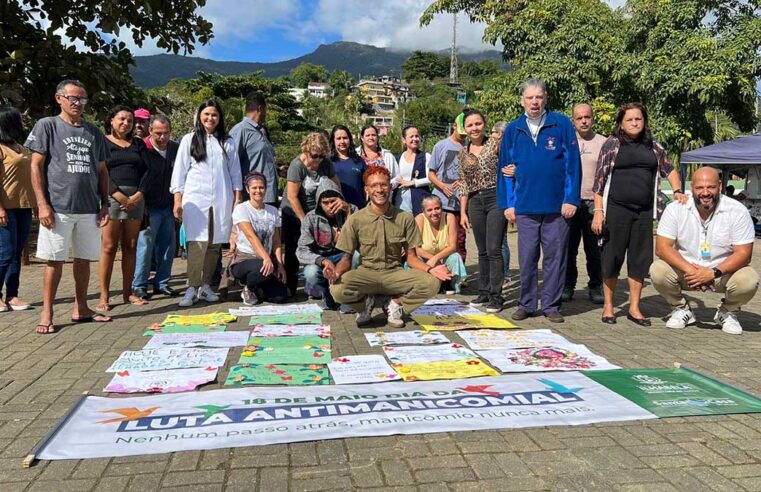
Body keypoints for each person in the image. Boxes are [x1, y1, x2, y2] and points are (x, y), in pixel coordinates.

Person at [25, 79, 112, 333]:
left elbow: (102, 170)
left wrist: (104, 203)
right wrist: (42, 204)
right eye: (73, 98)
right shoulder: (47, 126)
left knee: (84, 260)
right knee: (55, 260)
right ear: (59, 99)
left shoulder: (93, 132)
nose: (78, 103)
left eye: (82, 99)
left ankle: (81, 308)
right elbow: (35, 166)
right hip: (58, 207)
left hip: (89, 208)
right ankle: (47, 312)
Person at [591, 103, 686, 325]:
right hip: (616, 210)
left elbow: (669, 169)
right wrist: (598, 211)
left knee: (640, 261)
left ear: (644, 122)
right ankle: (608, 307)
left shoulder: (654, 147)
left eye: (638, 119)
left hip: (643, 213)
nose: (634, 123)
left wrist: (678, 191)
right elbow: (599, 180)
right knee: (611, 258)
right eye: (629, 120)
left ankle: (634, 308)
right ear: (621, 124)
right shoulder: (612, 145)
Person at [497, 79, 581, 323]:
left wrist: (571, 199)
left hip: (557, 208)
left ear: (546, 99)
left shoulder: (561, 123)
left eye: (539, 97)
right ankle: (527, 303)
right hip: (524, 207)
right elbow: (504, 170)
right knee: (527, 258)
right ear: (522, 100)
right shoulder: (513, 129)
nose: (535, 102)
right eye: (530, 98)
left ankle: (552, 305)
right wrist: (509, 204)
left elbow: (572, 164)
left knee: (555, 258)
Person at [329, 166, 448, 328]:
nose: (379, 190)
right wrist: (336, 272)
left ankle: (394, 304)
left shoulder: (405, 218)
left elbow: (412, 258)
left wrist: (429, 269)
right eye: (374, 186)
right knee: (336, 289)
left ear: (390, 187)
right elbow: (346, 259)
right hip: (366, 274)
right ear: (367, 190)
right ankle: (364, 305)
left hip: (394, 274)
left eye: (384, 185)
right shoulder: (355, 219)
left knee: (432, 283)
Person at [651, 166, 757, 334]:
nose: (705, 192)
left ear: (720, 186)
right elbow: (662, 248)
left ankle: (727, 312)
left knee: (749, 279)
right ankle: (681, 308)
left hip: (721, 274)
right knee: (657, 270)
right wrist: (693, 271)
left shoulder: (737, 211)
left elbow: (744, 254)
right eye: (700, 187)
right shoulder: (676, 208)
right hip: (688, 273)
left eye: (711, 187)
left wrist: (713, 272)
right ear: (692, 187)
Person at [171, 99, 242, 307]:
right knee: (197, 243)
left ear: (219, 118)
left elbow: (235, 172)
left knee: (214, 244)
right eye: (207, 114)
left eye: (214, 115)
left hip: (221, 197)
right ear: (199, 116)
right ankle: (191, 287)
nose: (210, 118)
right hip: (196, 199)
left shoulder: (226, 142)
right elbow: (180, 172)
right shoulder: (189, 139)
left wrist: (237, 199)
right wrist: (178, 198)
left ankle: (205, 285)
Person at [98, 106, 152, 310]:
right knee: (109, 247)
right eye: (121, 119)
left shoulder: (138, 144)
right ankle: (104, 296)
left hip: (136, 200)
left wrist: (138, 196)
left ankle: (127, 293)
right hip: (112, 197)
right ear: (111, 120)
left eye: (129, 120)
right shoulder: (102, 142)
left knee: (130, 246)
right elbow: (100, 171)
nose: (126, 124)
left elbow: (148, 171)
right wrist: (118, 195)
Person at [280, 132, 346, 297]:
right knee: (293, 250)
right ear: (306, 151)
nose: (317, 160)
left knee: (324, 246)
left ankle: (322, 285)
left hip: (318, 212)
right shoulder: (297, 166)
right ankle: (290, 287)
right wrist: (304, 220)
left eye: (321, 156)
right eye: (314, 156)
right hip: (295, 211)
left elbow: (336, 187)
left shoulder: (326, 164)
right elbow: (292, 196)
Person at [458, 109, 506, 313]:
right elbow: (464, 184)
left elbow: (509, 167)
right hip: (475, 201)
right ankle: (484, 292)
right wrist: (462, 212)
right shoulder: (463, 152)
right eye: (470, 125)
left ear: (484, 124)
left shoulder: (495, 144)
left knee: (494, 248)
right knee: (482, 250)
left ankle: (496, 296)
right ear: (465, 129)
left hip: (495, 196)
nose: (474, 128)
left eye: (478, 123)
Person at [561, 104, 607, 304]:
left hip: (593, 203)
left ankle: (596, 285)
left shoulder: (604, 143)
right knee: (568, 249)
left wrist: (602, 207)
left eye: (587, 117)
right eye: (579, 118)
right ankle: (568, 285)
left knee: (594, 250)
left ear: (593, 118)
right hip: (570, 202)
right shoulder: (566, 142)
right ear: (573, 121)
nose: (584, 121)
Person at [221, 172, 287, 304]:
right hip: (245, 259)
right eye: (254, 188)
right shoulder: (241, 209)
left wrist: (280, 264)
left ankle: (258, 287)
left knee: (279, 296)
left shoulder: (273, 211)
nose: (258, 191)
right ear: (247, 189)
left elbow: (276, 241)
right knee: (263, 267)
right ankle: (248, 287)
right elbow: (251, 237)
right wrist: (267, 258)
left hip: (265, 260)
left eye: (261, 187)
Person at [132, 114, 179, 300]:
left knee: (168, 248)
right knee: (145, 248)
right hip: (148, 206)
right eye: (158, 133)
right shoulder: (141, 148)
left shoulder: (176, 149)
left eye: (166, 133)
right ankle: (139, 285)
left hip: (168, 205)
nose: (162, 137)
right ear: (150, 131)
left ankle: (162, 283)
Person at [297, 180, 357, 312]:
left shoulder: (352, 210)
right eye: (325, 202)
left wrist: (348, 212)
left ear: (340, 199)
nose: (330, 206)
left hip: (345, 255)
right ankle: (327, 296)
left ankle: (348, 297)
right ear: (319, 203)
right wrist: (322, 260)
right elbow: (301, 250)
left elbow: (357, 239)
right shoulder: (311, 218)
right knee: (310, 272)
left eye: (333, 201)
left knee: (357, 256)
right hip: (322, 258)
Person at [0, 107, 36, 312]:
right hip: (6, 207)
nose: (23, 123)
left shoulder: (20, 147)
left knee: (16, 253)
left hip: (23, 206)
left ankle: (12, 295)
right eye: (19, 120)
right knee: (5, 253)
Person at [428, 114, 468, 260]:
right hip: (441, 202)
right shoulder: (441, 145)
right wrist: (442, 186)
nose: (463, 137)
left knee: (459, 240)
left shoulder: (468, 147)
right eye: (461, 133)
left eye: (466, 135)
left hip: (460, 203)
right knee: (440, 239)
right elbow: (431, 174)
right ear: (454, 126)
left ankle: (459, 274)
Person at [229, 91, 278, 205]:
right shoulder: (240, 130)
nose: (266, 113)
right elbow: (230, 164)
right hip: (252, 200)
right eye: (266, 109)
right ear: (260, 108)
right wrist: (237, 196)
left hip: (269, 197)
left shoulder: (261, 131)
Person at [412, 195, 467, 294]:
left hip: (443, 258)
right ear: (424, 211)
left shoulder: (449, 217)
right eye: (429, 210)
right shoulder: (419, 219)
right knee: (415, 260)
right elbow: (416, 249)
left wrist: (436, 258)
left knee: (456, 257)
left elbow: (453, 247)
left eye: (437, 208)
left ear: (442, 208)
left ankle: (450, 284)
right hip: (425, 259)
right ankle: (423, 285)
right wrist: (432, 260)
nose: (434, 213)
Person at [392, 125, 430, 215]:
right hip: (400, 199)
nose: (415, 139)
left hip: (420, 198)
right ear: (404, 140)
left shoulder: (425, 156)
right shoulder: (397, 158)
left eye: (417, 136)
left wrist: (413, 182)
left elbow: (430, 178)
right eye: (411, 136)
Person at [491, 120, 510, 291]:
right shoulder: (494, 150)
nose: (491, 135)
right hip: (492, 199)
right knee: (499, 241)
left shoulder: (508, 150)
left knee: (501, 241)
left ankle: (504, 275)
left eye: (494, 132)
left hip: (503, 199)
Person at [329, 125, 366, 209]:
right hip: (336, 208)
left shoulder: (358, 160)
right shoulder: (328, 162)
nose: (342, 141)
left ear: (350, 139)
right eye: (338, 138)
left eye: (345, 138)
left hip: (358, 208)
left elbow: (366, 184)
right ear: (333, 141)